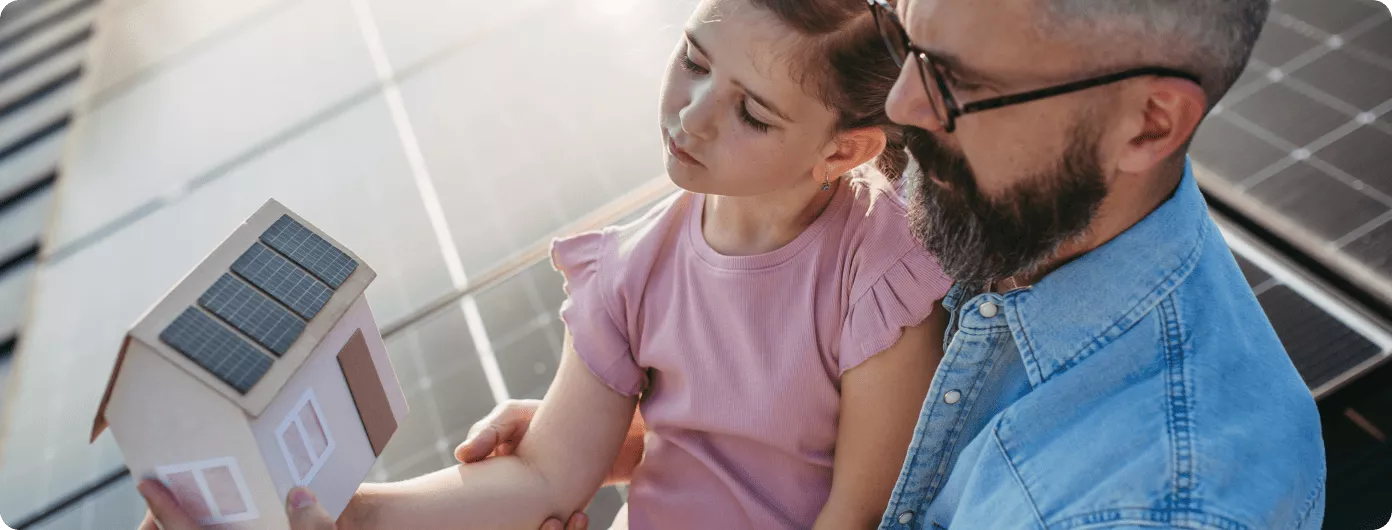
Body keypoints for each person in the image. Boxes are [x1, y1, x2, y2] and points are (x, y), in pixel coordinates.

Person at [460, 0, 1329, 528]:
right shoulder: (1006, 204)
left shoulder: (1156, 504)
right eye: (909, 45)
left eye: (954, 82)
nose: (903, 111)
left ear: (1147, 124)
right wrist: (667, 436)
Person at [143, 0, 951, 528]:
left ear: (842, 149)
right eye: (696, 64)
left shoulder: (880, 276)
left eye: (752, 113)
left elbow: (864, 513)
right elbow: (543, 477)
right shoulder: (630, 270)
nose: (693, 117)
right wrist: (328, 515)